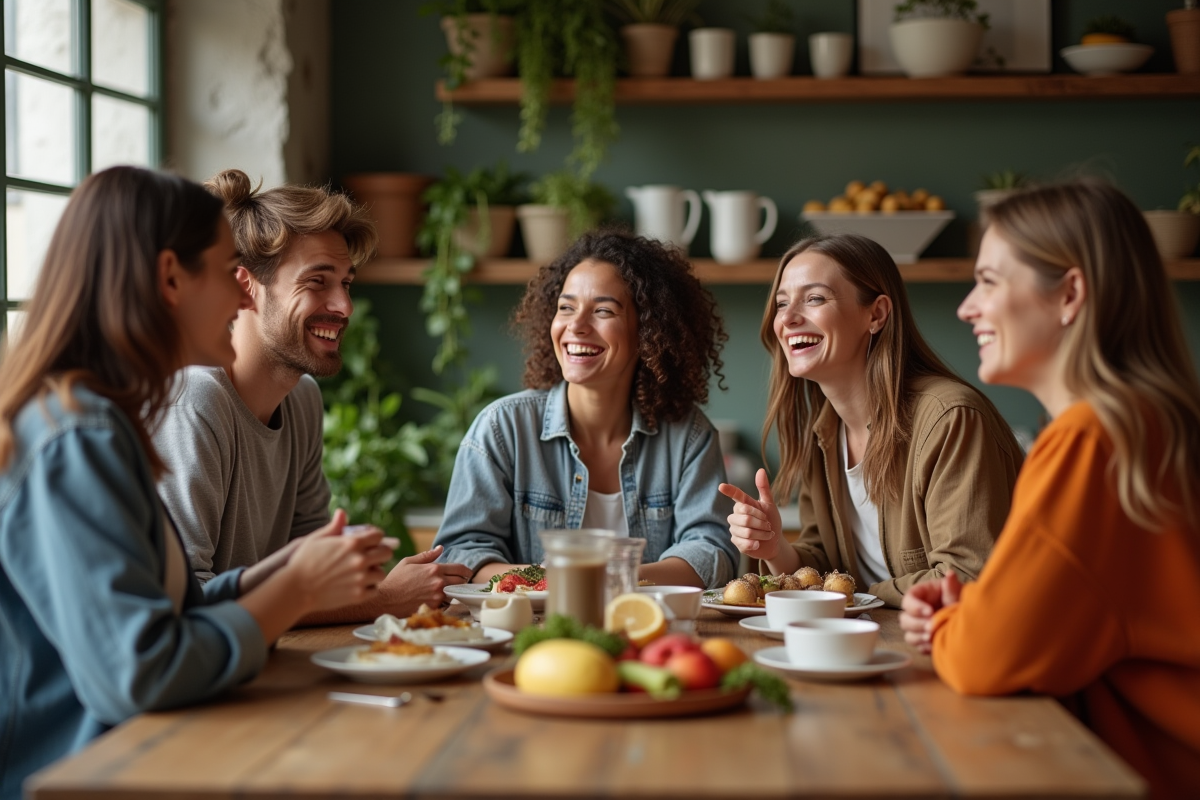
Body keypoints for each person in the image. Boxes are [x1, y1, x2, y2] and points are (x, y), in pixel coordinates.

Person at [0, 166, 391, 800]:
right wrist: (295, 586)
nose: (242, 298)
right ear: (170, 280)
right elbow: (139, 673)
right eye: (224, 271)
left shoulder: (102, 421)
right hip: (83, 777)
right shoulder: (77, 436)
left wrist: (283, 572)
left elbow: (166, 615)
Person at [899, 181, 1200, 798]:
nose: (966, 307)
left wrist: (953, 630)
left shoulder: (1091, 441)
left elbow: (989, 659)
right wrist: (972, 615)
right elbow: (1068, 621)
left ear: (1069, 294)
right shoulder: (1141, 423)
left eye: (989, 281)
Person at [154, 169, 471, 621]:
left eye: (346, 282)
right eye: (317, 281)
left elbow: (310, 566)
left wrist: (368, 572)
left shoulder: (302, 399)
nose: (344, 306)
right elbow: (185, 600)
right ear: (246, 287)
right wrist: (382, 600)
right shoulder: (196, 403)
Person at [720, 234, 1024, 607]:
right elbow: (827, 566)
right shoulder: (824, 431)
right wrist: (775, 547)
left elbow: (964, 576)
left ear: (876, 314)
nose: (787, 318)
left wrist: (859, 597)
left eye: (814, 298)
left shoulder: (951, 419)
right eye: (782, 303)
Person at [434, 230, 739, 588]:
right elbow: (462, 553)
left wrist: (607, 577)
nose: (576, 326)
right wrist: (553, 584)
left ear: (648, 330)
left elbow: (711, 553)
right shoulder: (502, 428)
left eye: (603, 310)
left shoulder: (688, 435)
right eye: (566, 307)